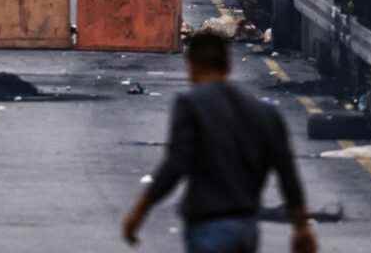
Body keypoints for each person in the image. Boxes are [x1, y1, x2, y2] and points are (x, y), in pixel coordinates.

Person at [122, 32, 317, 253]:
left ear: (191, 65)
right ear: (228, 65)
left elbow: (175, 166)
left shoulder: (190, 105)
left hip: (207, 226)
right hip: (247, 227)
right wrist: (301, 228)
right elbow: (287, 174)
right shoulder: (265, 113)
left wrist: (139, 212)